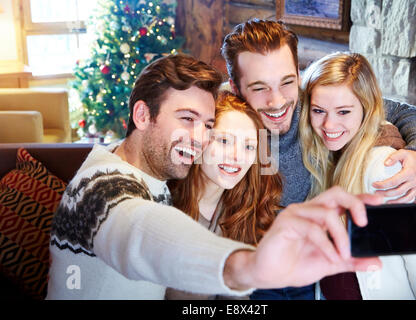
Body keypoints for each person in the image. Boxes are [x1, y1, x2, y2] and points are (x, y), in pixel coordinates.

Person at [46, 53, 381, 299]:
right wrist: (245, 267)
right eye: (186, 118)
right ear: (142, 115)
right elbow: (139, 231)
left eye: (206, 125)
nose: (198, 137)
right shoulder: (100, 189)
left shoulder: (150, 168)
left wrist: (393, 136)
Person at [221, 19, 416, 300]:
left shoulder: (314, 101)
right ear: (235, 88)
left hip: (312, 272)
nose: (277, 102)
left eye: (286, 82)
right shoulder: (225, 122)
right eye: (260, 88)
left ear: (298, 76)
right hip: (257, 265)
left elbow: (402, 112)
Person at [299, 52, 416, 300]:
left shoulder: (385, 167)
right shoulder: (328, 156)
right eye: (318, 110)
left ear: (367, 109)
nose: (329, 125)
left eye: (343, 112)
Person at [165, 91, 283, 299]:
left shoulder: (240, 212)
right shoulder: (164, 204)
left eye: (248, 146)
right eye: (224, 141)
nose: (237, 156)